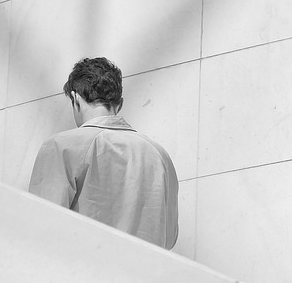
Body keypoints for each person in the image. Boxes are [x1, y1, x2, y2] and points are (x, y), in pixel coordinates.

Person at [28, 57, 179, 250]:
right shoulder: (159, 155)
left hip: (83, 266)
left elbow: (41, 228)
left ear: (75, 98)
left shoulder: (61, 146)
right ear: (120, 104)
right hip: (146, 269)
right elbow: (169, 237)